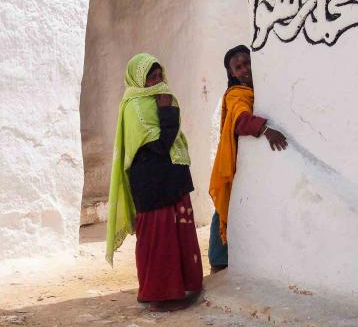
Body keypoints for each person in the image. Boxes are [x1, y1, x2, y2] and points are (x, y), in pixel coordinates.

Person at [106, 53, 203, 312]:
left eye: (160, 76)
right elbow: (160, 145)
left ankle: (184, 287)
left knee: (178, 233)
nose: (157, 81)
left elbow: (171, 142)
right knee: (158, 239)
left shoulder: (159, 101)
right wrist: (167, 111)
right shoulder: (135, 108)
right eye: (151, 77)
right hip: (152, 184)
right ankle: (160, 295)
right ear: (138, 79)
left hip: (171, 180)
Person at [208, 45, 287, 273]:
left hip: (244, 164)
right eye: (238, 67)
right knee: (225, 205)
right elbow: (241, 120)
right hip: (232, 161)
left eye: (247, 63)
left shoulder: (256, 90)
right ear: (231, 73)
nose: (244, 70)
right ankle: (218, 260)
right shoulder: (236, 95)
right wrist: (265, 130)